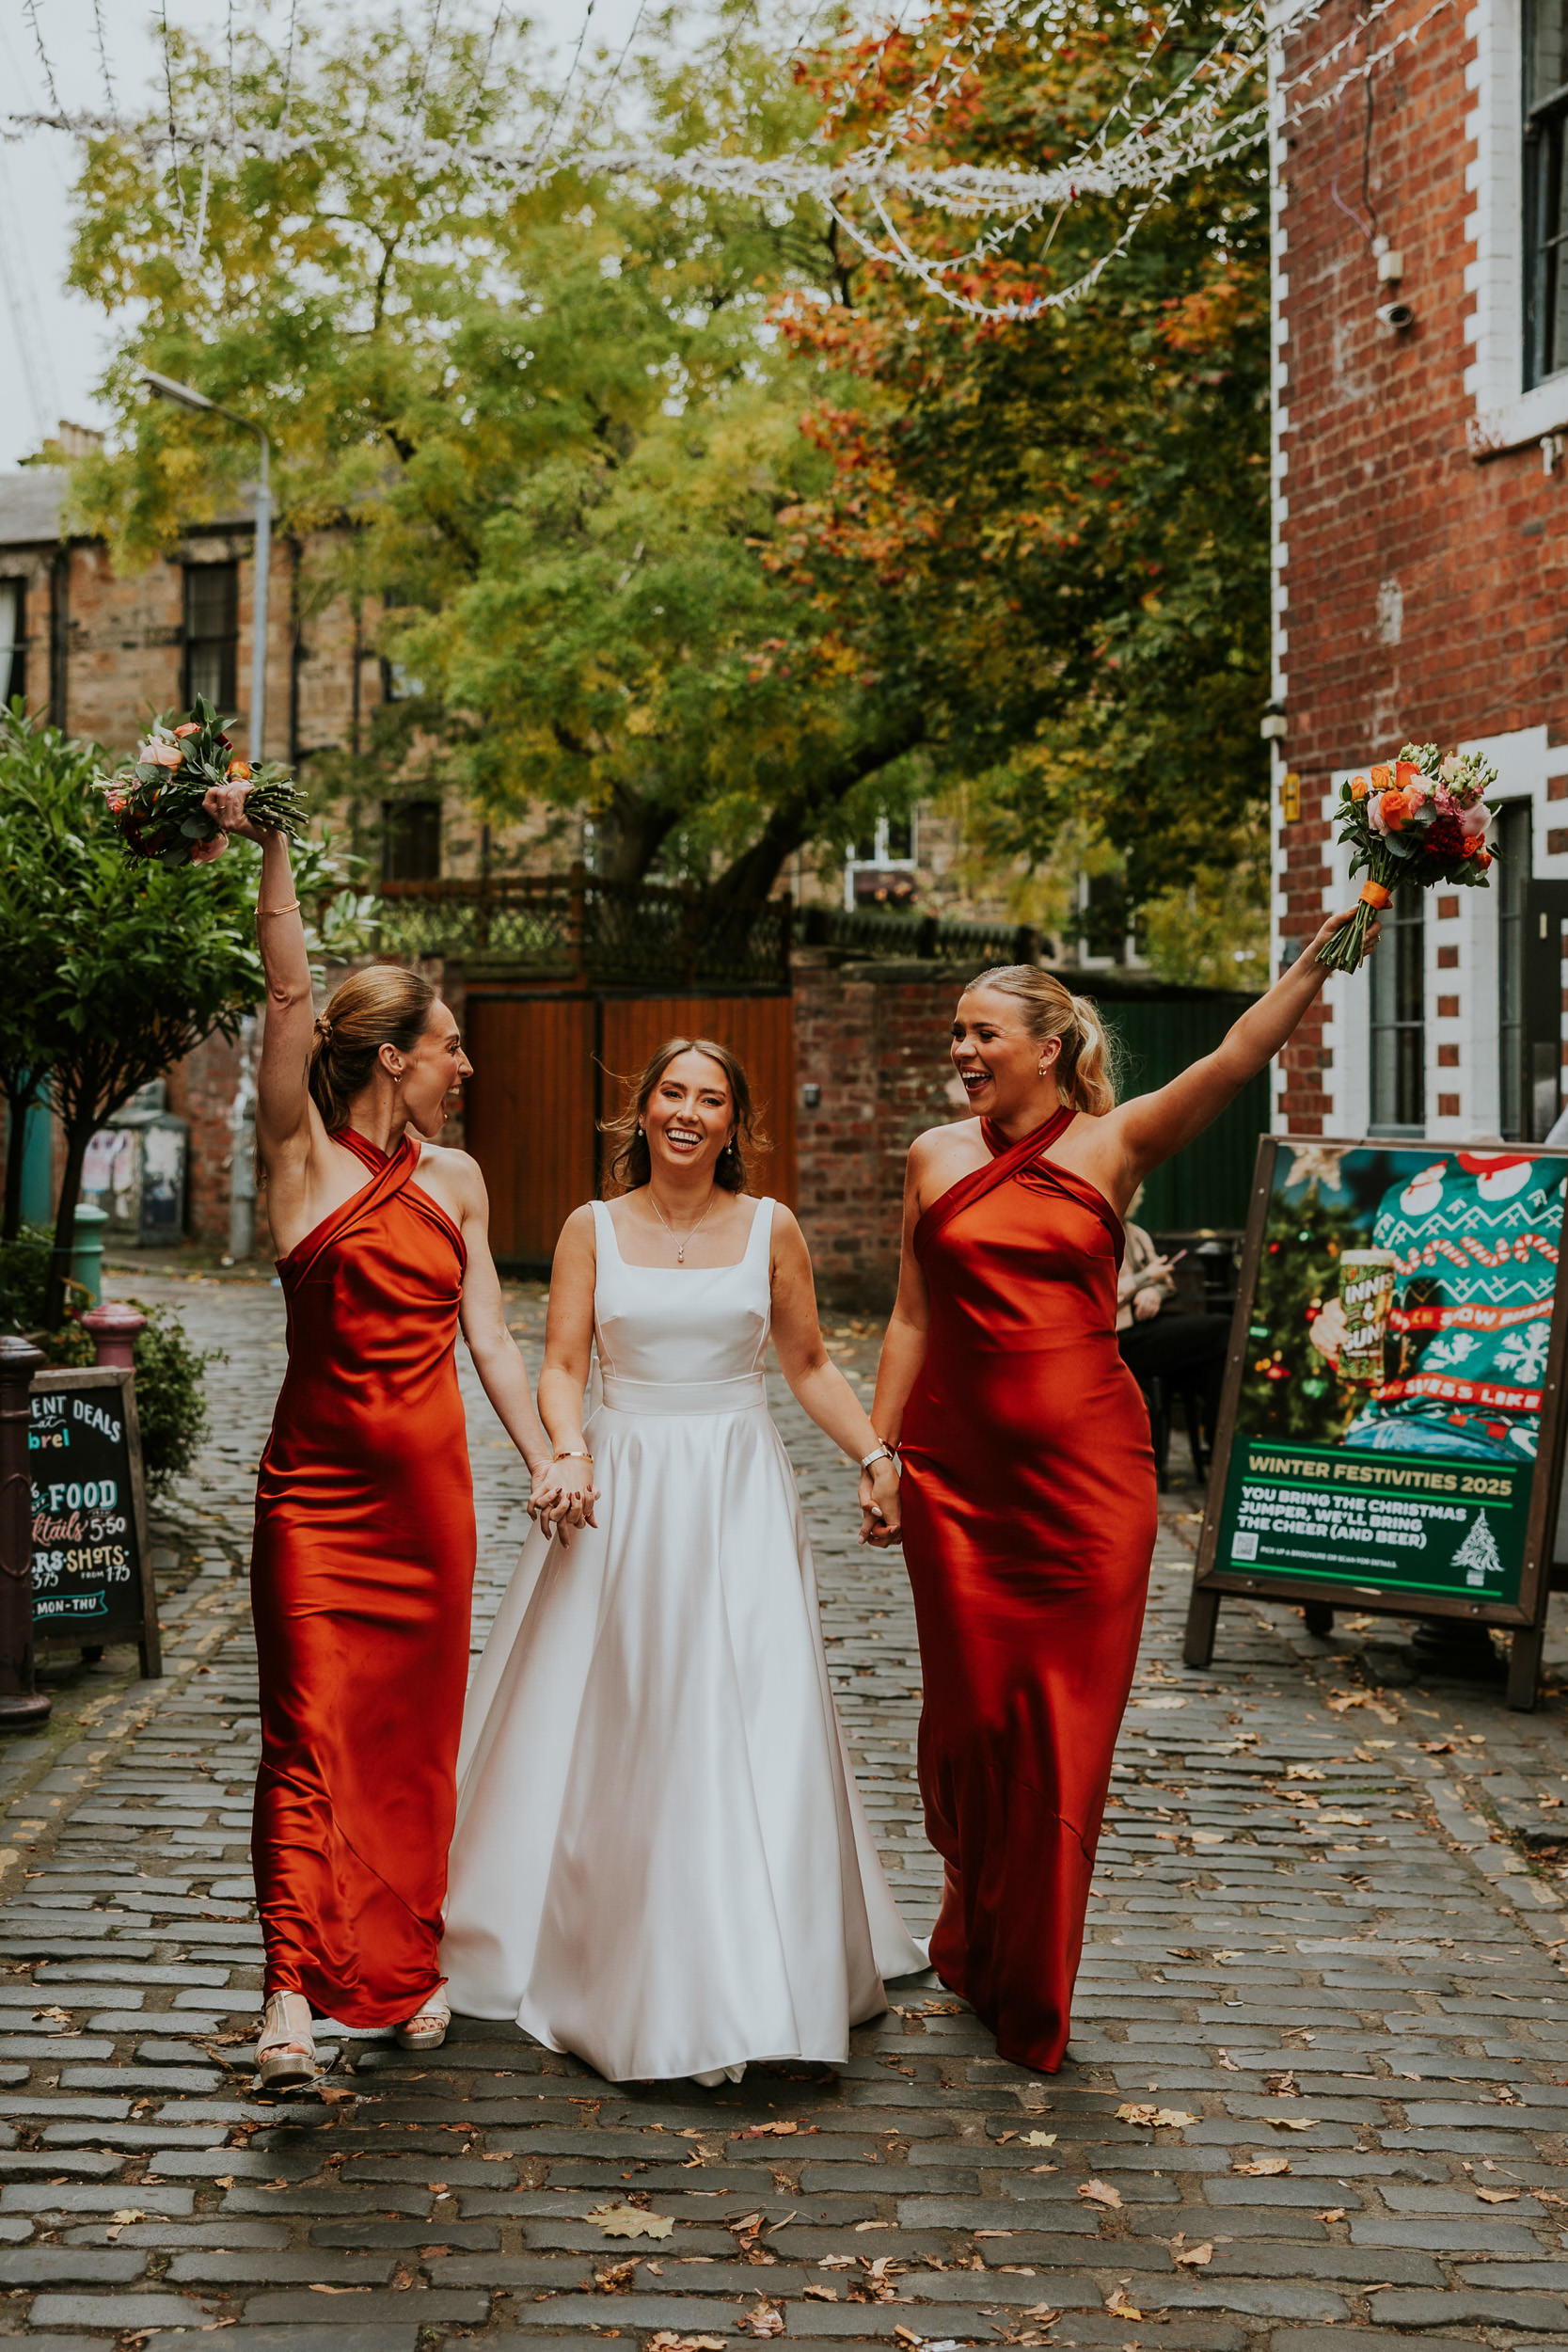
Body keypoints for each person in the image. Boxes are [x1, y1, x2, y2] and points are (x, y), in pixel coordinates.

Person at [863, 908, 1378, 2074]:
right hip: (951, 1483)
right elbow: (907, 1314)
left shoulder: (1115, 1143)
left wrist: (1311, 961)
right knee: (965, 1724)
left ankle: (1030, 1984)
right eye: (953, 1033)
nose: (959, 1050)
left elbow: (1235, 1055)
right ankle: (973, 1918)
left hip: (1088, 1486)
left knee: (1057, 1733)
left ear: (1046, 1047)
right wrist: (877, 1451)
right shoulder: (932, 1157)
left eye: (980, 1032)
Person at [440, 1036, 926, 2083]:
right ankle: (604, 1945)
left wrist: (876, 1453)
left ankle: (758, 1962)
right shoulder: (590, 1228)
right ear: (643, 1109)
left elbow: (806, 1363)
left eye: (710, 1100)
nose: (688, 1113)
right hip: (624, 1483)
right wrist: (566, 1450)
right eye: (672, 1093)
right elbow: (562, 1362)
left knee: (749, 1706)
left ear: (733, 1125)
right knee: (630, 1706)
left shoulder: (769, 1228)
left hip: (736, 1487)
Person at [204, 785, 572, 2090]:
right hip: (311, 1498)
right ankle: (290, 1993)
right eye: (450, 1047)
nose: (465, 1067)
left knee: (412, 1747)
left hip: (428, 1509)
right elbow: (290, 998)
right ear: (391, 1057)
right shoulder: (300, 1157)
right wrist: (277, 850)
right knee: (304, 1738)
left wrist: (543, 1459)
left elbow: (488, 1340)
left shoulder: (460, 1183)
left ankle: (403, 1962)